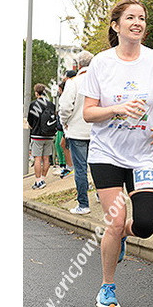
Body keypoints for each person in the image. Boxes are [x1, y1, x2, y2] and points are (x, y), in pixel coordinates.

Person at [79, 0, 153, 307]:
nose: (137, 23)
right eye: (131, 17)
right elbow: (88, 113)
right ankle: (107, 287)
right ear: (116, 25)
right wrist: (116, 109)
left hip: (143, 154)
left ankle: (122, 235)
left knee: (145, 225)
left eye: (142, 18)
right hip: (106, 153)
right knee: (115, 219)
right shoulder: (101, 63)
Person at [59, 52, 94, 215]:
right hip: (97, 130)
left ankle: (83, 204)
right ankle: (101, 195)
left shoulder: (73, 83)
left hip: (77, 130)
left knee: (80, 168)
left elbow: (65, 107)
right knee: (98, 167)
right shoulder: (99, 80)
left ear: (79, 65)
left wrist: (65, 122)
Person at [27, 83, 57, 189]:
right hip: (49, 135)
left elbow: (30, 120)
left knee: (37, 159)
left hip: (37, 135)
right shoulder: (51, 104)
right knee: (46, 158)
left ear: (36, 93)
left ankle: (38, 181)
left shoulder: (33, 104)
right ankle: (43, 178)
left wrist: (32, 127)